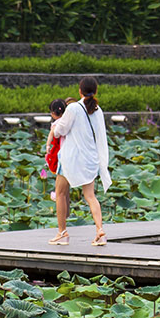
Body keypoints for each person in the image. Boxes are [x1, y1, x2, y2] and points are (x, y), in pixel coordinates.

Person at [50, 78, 111, 246]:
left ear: (79, 91)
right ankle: (100, 231)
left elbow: (61, 130)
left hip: (71, 158)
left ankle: (62, 233)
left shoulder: (73, 108)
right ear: (95, 91)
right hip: (90, 159)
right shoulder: (98, 110)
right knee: (90, 196)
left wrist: (54, 128)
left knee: (61, 193)